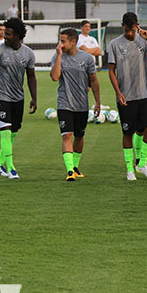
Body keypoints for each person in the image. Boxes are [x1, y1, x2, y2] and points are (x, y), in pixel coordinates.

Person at [107, 12, 147, 181]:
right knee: (128, 133)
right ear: (123, 26)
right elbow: (111, 70)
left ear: (137, 26)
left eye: (133, 30)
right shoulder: (115, 44)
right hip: (125, 96)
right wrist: (118, 92)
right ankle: (129, 169)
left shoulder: (143, 41)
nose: (131, 33)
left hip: (144, 94)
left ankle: (142, 164)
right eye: (128, 30)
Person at [0, 18, 37, 179]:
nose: (5, 37)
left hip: (18, 99)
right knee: (6, 132)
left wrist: (34, 98)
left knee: (13, 133)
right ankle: (11, 168)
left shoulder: (28, 53)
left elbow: (31, 76)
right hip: (1, 97)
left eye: (8, 34)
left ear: (17, 36)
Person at [50, 28, 101, 181]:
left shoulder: (87, 58)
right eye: (60, 41)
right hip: (64, 103)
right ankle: (69, 170)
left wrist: (98, 102)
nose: (61, 44)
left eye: (63, 41)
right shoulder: (57, 56)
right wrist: (59, 56)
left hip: (82, 104)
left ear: (73, 42)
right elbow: (55, 77)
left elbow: (93, 80)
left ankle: (75, 166)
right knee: (67, 135)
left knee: (79, 136)